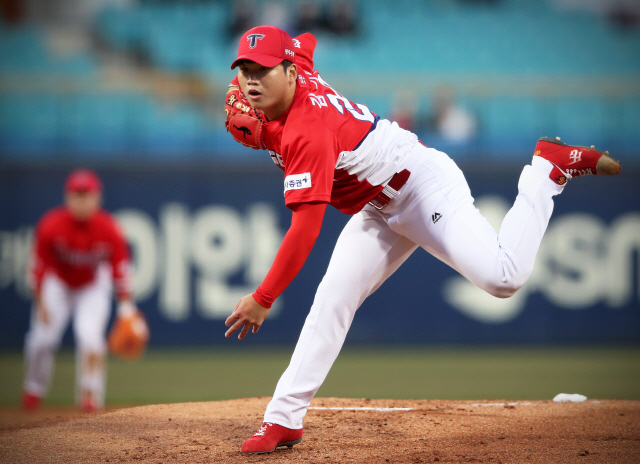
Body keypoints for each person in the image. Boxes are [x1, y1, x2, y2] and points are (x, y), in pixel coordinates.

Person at [223, 26, 621, 454]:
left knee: (504, 278)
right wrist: (269, 67)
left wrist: (264, 297)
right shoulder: (295, 64)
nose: (251, 81)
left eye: (263, 70)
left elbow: (305, 229)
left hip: (421, 185)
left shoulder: (307, 130)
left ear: (289, 73)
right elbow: (306, 40)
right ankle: (283, 419)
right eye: (245, 71)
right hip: (376, 204)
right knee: (333, 298)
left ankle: (546, 171)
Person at [21, 168, 142, 412]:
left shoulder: (108, 227)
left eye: (87, 195)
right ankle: (34, 388)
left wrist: (127, 308)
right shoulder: (51, 225)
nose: (82, 200)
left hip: (92, 285)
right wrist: (41, 304)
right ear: (68, 197)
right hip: (58, 283)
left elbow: (120, 269)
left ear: (98, 197)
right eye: (77, 195)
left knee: (90, 338)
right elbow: (37, 269)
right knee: (42, 339)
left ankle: (90, 395)